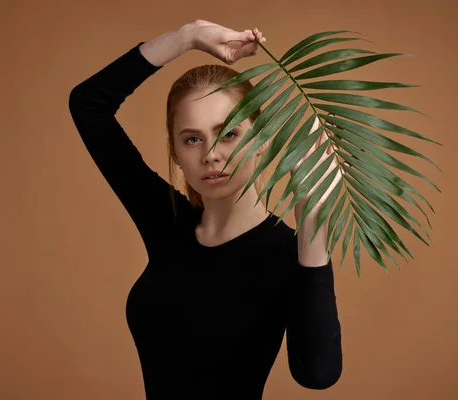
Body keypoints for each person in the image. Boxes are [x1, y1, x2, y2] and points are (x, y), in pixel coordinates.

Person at [68, 19, 342, 400]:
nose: (211, 155)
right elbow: (88, 104)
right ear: (177, 154)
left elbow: (318, 374)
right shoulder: (169, 223)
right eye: (192, 139)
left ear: (261, 138)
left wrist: (313, 218)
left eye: (229, 133)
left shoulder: (287, 251)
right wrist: (189, 36)